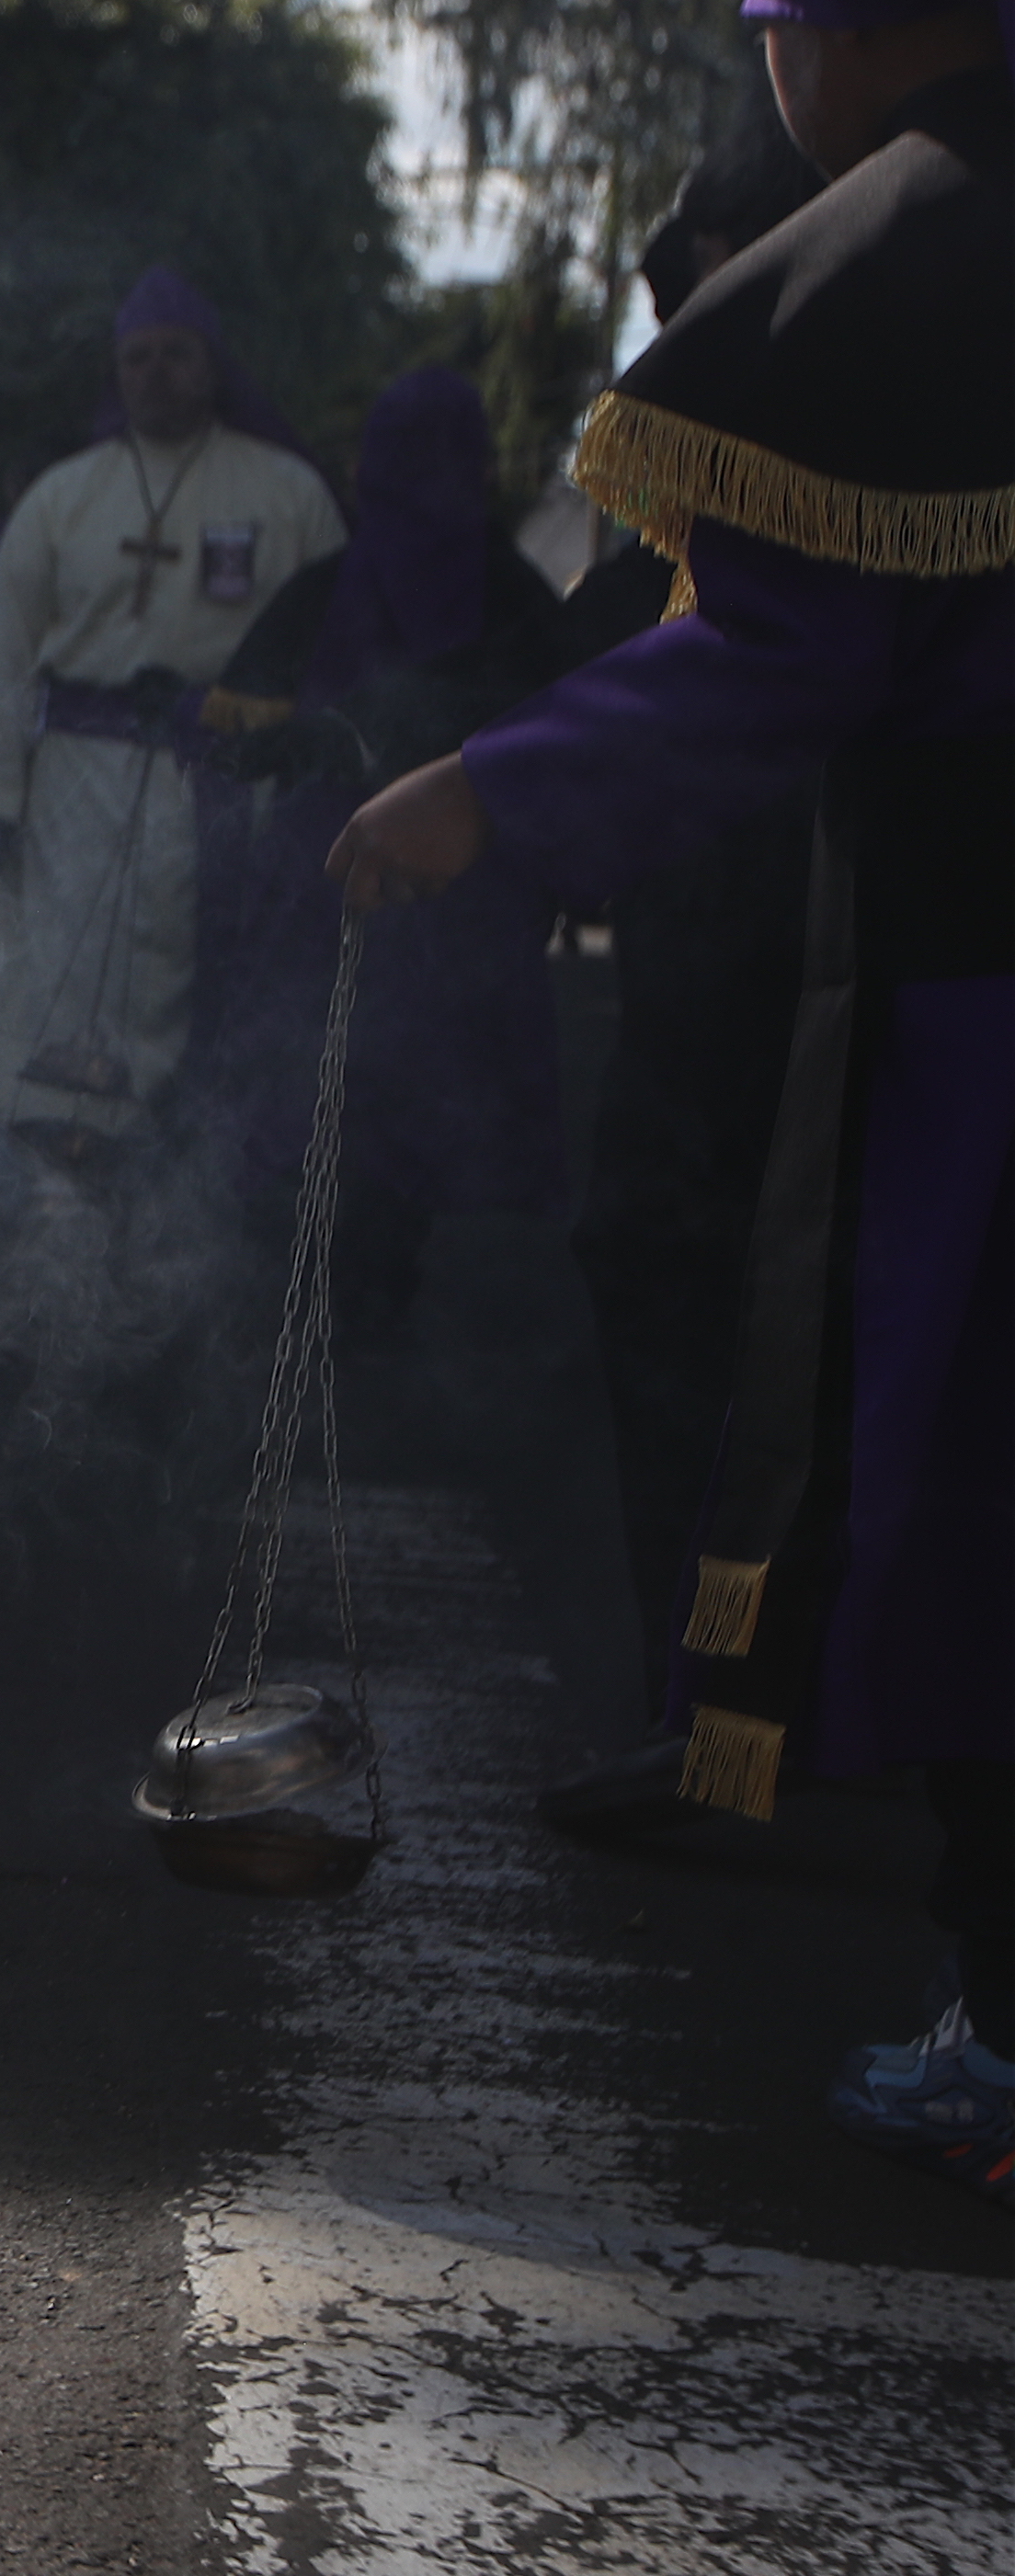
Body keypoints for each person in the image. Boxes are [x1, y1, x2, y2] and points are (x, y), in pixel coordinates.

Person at [334, 0, 1015, 2199]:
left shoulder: (898, 260)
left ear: (808, 33)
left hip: (966, 985)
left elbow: (756, 665)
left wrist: (476, 798)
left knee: (951, 1472)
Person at [553, 123, 831, 1832]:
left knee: (769, 1334)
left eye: (702, 280)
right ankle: (711, 1710)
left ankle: (743, 1734)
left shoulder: (842, 436)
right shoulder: (706, 441)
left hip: (821, 965)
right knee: (671, 1288)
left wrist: (491, 771)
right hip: (705, 964)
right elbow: (592, 643)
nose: (684, 321)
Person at [188, 369, 578, 1339]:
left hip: (355, 890)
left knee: (343, 1089)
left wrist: (321, 743)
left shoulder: (328, 588)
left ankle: (339, 1291)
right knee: (377, 1100)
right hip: (445, 898)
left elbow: (238, 735)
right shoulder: (520, 600)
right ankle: (372, 1287)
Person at [0, 269, 345, 1152]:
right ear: (115, 374)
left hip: (223, 778)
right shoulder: (60, 497)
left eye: (175, 354)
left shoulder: (288, 494)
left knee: (195, 972)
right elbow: (5, 661)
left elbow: (329, 653)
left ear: (211, 365)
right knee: (69, 970)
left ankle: (184, 1163)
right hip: (74, 784)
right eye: (137, 358)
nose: (155, 373)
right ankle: (65, 1168)